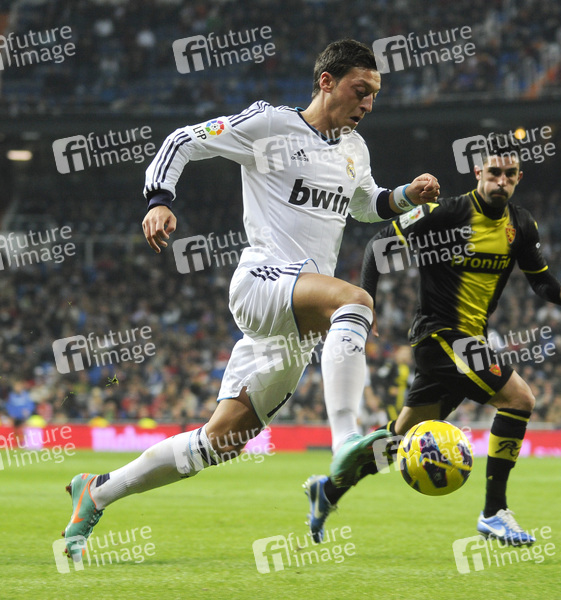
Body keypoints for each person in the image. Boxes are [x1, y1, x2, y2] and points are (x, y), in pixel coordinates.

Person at [61, 39, 440, 560]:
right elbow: (183, 139)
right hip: (263, 280)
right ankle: (346, 441)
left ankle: (97, 492)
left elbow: (365, 205)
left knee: (220, 442)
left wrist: (405, 196)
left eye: (374, 94)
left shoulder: (355, 149)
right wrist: (159, 199)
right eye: (361, 90)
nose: (368, 104)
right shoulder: (270, 125)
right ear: (327, 82)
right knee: (355, 301)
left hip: (298, 321)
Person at [304, 152, 561, 545]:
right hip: (438, 336)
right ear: (478, 173)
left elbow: (539, 279)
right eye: (494, 172)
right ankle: (494, 512)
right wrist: (365, 304)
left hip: (469, 341)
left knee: (397, 440)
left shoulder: (520, 224)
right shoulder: (442, 214)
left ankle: (329, 490)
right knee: (519, 399)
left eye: (509, 174)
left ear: (518, 178)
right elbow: (377, 245)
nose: (501, 180)